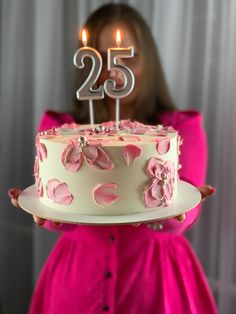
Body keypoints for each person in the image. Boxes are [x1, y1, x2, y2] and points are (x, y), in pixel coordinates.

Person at [8, 3, 217, 314]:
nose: (114, 71)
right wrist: (49, 214)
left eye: (127, 56)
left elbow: (181, 219)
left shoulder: (180, 129)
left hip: (156, 282)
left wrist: (181, 208)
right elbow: (56, 213)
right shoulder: (58, 129)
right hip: (77, 281)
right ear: (87, 66)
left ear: (148, 59)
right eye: (101, 59)